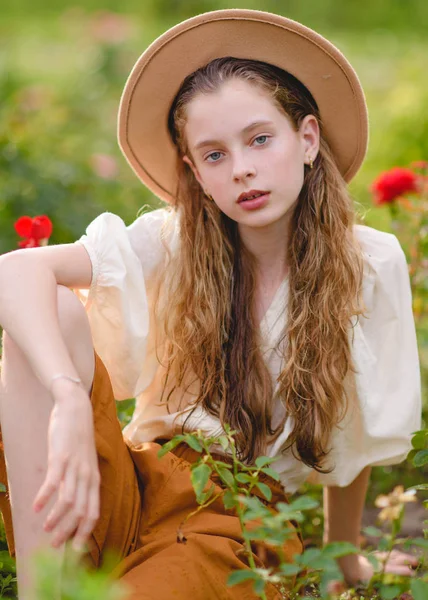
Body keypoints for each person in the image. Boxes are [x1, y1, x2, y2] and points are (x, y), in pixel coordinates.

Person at [0, 8, 422, 600]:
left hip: (234, 520)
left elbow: (354, 436)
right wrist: (67, 398)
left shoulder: (368, 263)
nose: (243, 168)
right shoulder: (173, 241)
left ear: (307, 138)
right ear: (196, 173)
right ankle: (40, 593)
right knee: (51, 311)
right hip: (134, 484)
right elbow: (14, 270)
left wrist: (346, 561)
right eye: (215, 154)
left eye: (259, 138)